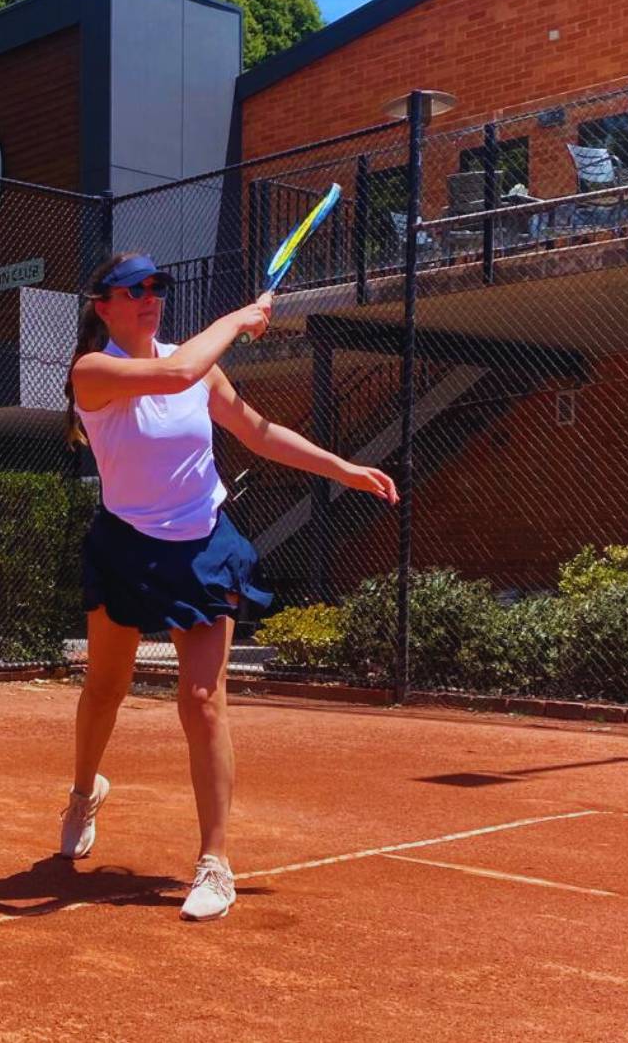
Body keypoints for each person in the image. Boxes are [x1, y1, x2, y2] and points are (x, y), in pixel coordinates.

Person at [60, 251, 399, 922]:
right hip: (126, 545)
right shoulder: (92, 372)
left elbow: (258, 432)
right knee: (105, 688)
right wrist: (241, 319)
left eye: (158, 286)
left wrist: (342, 468)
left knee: (202, 700)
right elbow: (175, 370)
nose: (150, 297)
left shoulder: (198, 366)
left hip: (202, 542)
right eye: (134, 290)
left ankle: (215, 862)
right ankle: (81, 793)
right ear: (104, 305)